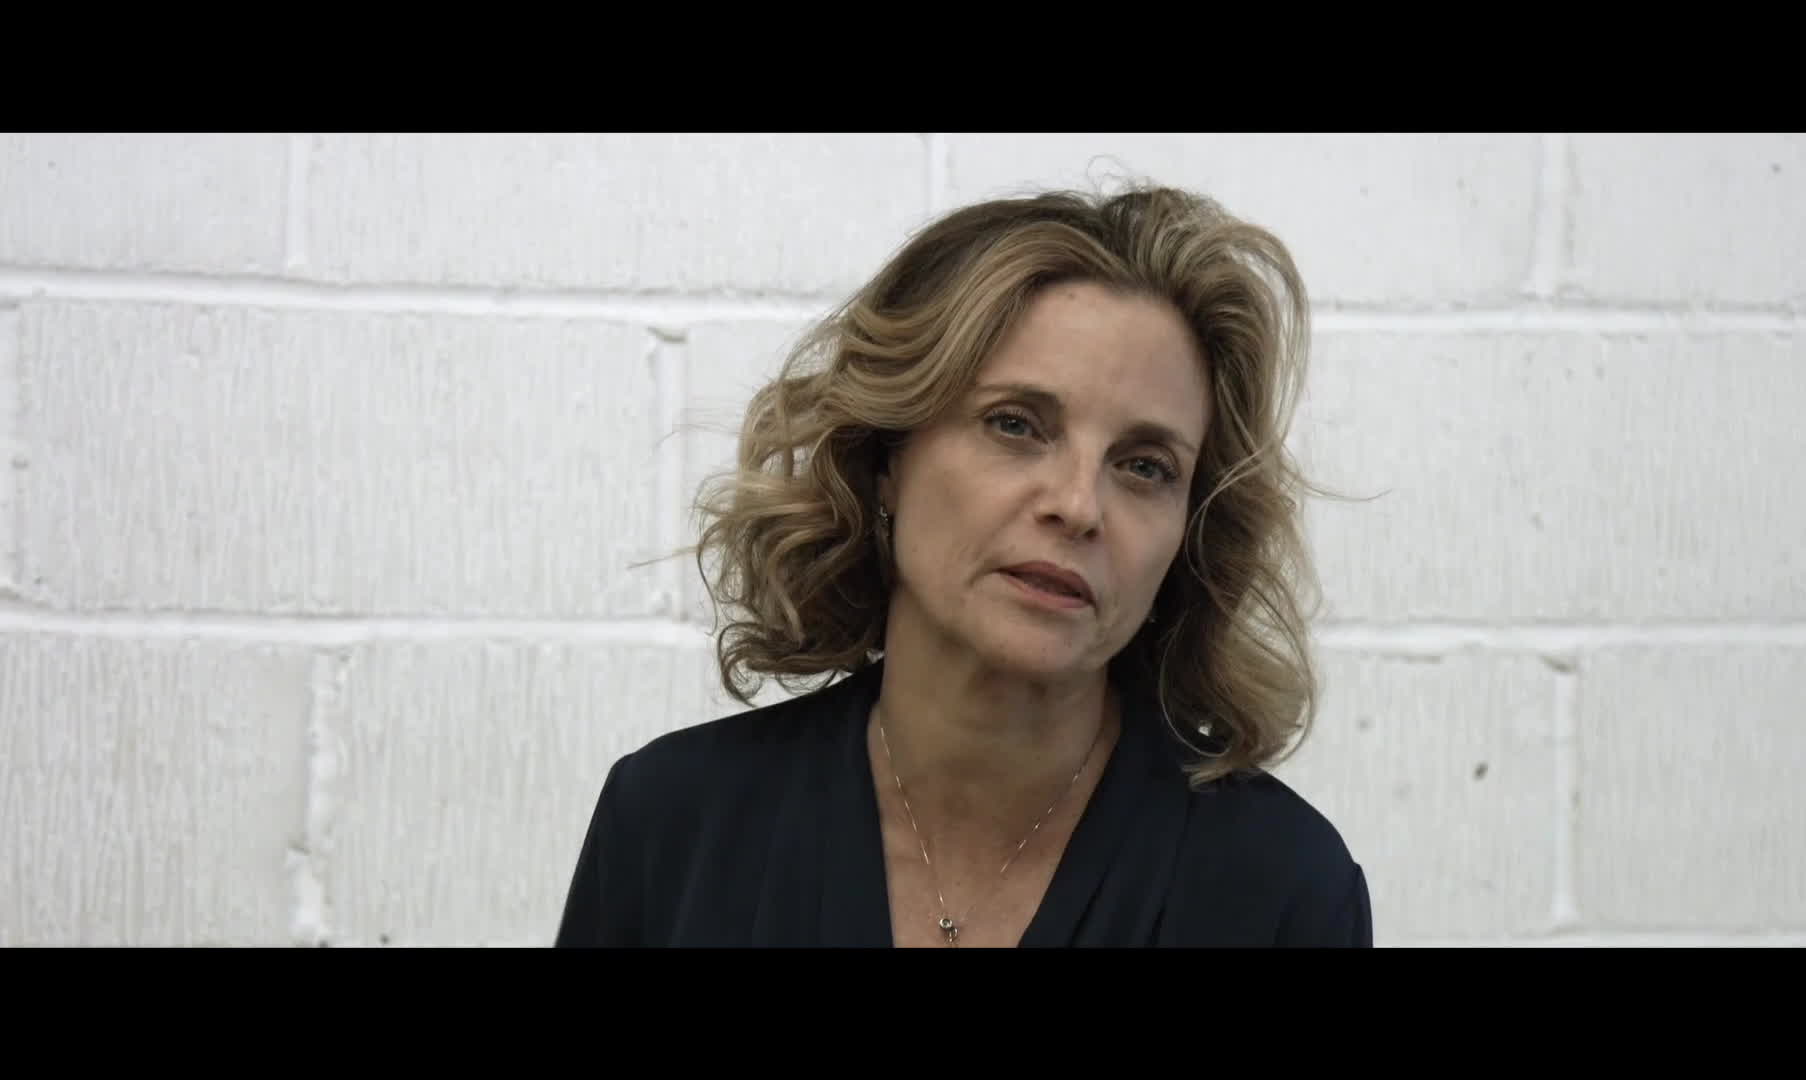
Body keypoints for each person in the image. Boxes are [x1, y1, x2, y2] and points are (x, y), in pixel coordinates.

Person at [555, 181, 1372, 947]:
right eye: (1016, 425)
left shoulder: (1280, 889)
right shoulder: (673, 827)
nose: (1078, 505)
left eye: (1145, 467)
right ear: (886, 458)